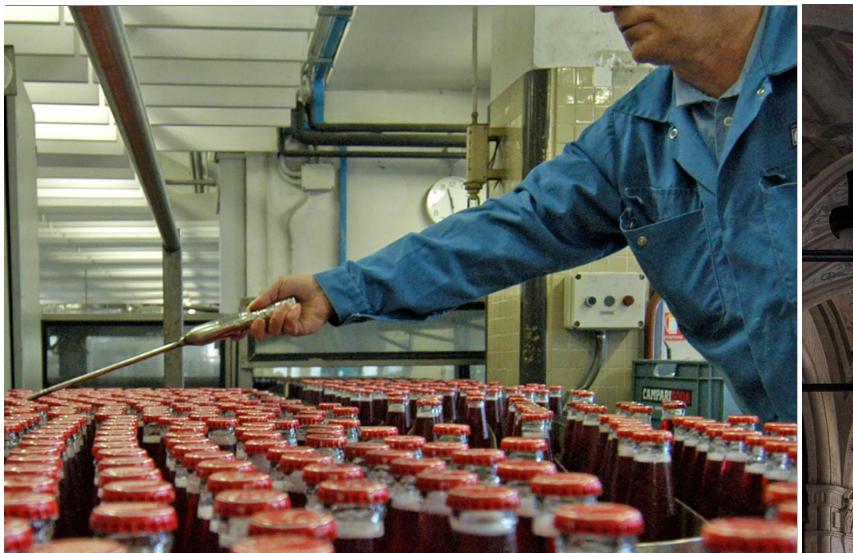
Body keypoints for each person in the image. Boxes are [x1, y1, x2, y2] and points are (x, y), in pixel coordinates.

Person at [247, 6, 798, 423]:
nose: (606, 6)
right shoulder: (635, 136)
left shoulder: (840, 69)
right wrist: (340, 288)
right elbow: (506, 230)